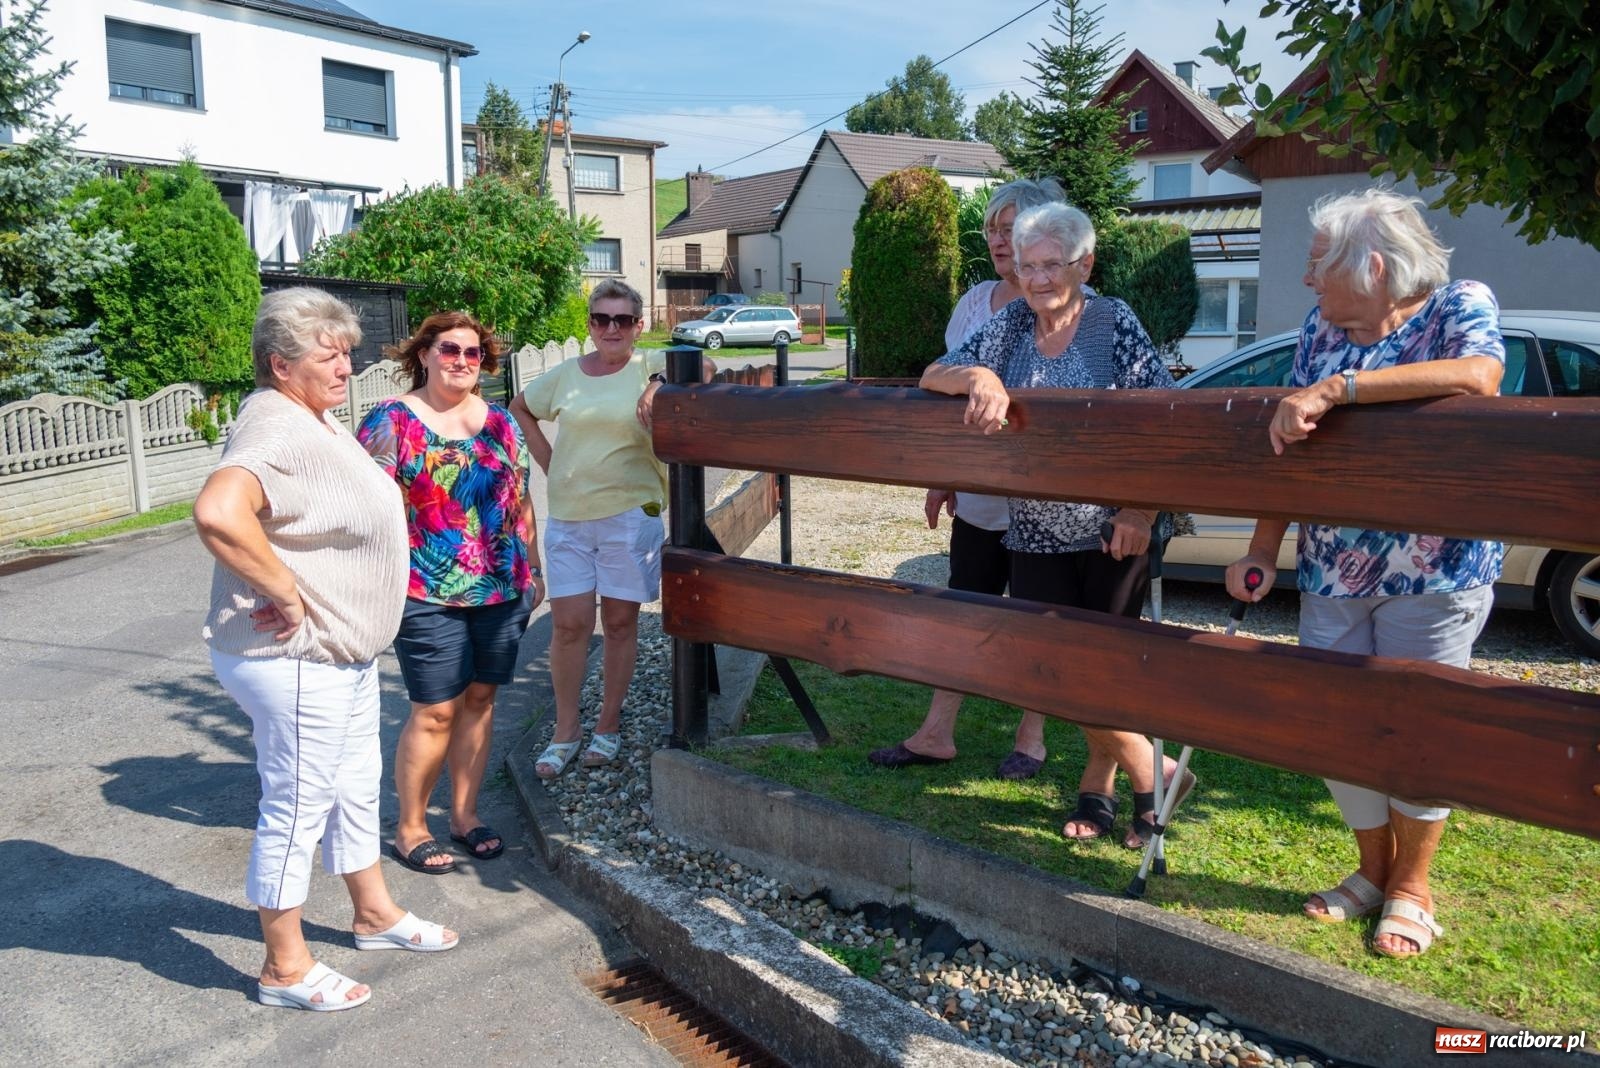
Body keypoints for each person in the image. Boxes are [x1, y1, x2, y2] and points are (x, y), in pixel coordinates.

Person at [1224, 189, 1504, 959]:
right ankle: (1373, 870)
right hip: (1333, 568)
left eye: (1319, 263)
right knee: (1335, 724)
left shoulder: (1458, 306)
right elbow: (1292, 444)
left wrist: (1340, 387)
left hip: (1436, 568)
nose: (1307, 280)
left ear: (1373, 267)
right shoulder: (1321, 328)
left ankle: (1412, 887)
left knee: (1418, 729)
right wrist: (1262, 547)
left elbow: (1480, 376)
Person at [195, 288, 457, 1013]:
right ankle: (284, 966)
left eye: (347, 352)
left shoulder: (312, 416)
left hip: (341, 652)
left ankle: (373, 913)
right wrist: (283, 589)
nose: (346, 366)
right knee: (298, 805)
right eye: (328, 356)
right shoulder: (274, 426)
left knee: (352, 784)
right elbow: (218, 511)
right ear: (280, 365)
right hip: (296, 658)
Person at [920, 201, 1195, 850]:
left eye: (1053, 264)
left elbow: (1166, 420)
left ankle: (1099, 790)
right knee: (1052, 670)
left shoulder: (1112, 321)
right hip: (1035, 532)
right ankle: (1157, 772)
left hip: (1112, 530)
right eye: (1027, 265)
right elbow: (934, 374)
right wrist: (980, 374)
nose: (1038, 278)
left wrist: (1140, 509)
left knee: (1105, 669)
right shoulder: (1013, 322)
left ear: (1084, 264)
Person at [868, 176, 1068, 779]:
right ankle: (936, 732)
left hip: (1048, 503)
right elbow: (940, 386)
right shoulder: (975, 303)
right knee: (963, 605)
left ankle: (1032, 737)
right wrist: (944, 472)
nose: (999, 241)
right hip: (979, 495)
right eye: (992, 230)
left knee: (1037, 617)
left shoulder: (1071, 304)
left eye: (1011, 229)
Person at [357, 312, 542, 874]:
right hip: (424, 589)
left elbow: (520, 499)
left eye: (472, 352)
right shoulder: (392, 420)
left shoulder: (500, 422)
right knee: (435, 710)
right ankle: (411, 828)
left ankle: (465, 815)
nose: (461, 360)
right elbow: (363, 508)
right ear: (425, 355)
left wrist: (533, 568)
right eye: (449, 349)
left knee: (481, 702)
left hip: (502, 588)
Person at [509, 280, 710, 778]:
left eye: (622, 319)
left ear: (638, 325)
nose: (612, 328)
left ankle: (608, 723)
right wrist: (550, 462)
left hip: (629, 515)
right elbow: (520, 406)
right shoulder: (567, 375)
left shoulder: (647, 364)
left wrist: (658, 382)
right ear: (591, 324)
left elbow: (704, 369)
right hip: (569, 520)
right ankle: (565, 730)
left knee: (619, 624)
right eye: (602, 319)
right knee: (569, 625)